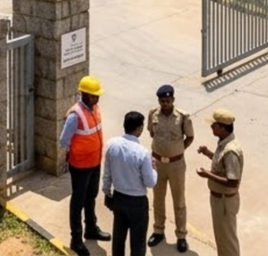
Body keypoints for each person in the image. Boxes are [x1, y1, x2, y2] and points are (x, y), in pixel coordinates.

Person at [60, 76, 110, 253]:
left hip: (94, 162)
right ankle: (76, 239)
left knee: (91, 196)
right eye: (94, 96)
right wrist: (76, 153)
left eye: (98, 96)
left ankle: (91, 228)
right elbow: (64, 141)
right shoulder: (75, 115)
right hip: (80, 166)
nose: (97, 99)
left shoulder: (95, 109)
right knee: (78, 201)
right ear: (84, 94)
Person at [145, 85, 194, 252]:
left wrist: (178, 150)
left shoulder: (183, 117)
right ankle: (158, 230)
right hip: (158, 163)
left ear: (173, 99)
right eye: (162, 101)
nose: (165, 103)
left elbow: (190, 137)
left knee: (178, 200)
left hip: (176, 165)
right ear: (158, 101)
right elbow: (151, 133)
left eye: (168, 100)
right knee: (158, 198)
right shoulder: (153, 114)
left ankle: (181, 235)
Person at [101, 111, 157, 256]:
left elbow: (107, 174)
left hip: (118, 198)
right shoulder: (142, 153)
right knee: (138, 242)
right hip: (137, 203)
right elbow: (150, 182)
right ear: (139, 129)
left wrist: (107, 194)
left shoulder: (112, 145)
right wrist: (154, 169)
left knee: (118, 237)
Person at [196, 108, 243, 256]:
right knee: (222, 238)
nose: (211, 127)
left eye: (214, 125)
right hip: (219, 199)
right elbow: (221, 165)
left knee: (227, 240)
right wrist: (208, 153)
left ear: (222, 128)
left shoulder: (230, 151)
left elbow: (232, 181)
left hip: (224, 202)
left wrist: (208, 175)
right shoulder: (224, 142)